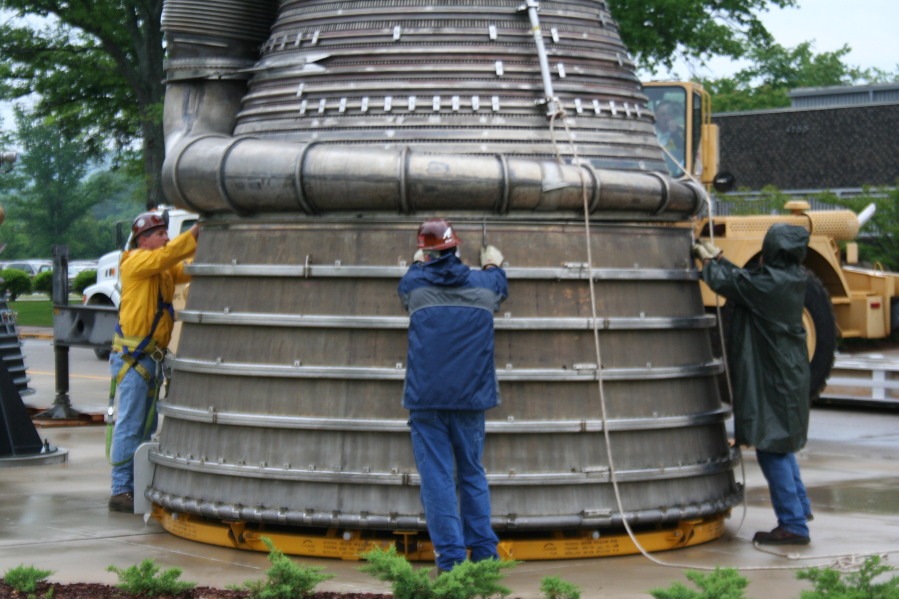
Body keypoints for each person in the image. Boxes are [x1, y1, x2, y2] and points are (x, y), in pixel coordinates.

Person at [397, 218, 508, 571]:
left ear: (427, 251)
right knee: (472, 473)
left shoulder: (413, 283)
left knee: (438, 480)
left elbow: (409, 282)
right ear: (456, 248)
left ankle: (451, 565)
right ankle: (486, 558)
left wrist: (417, 261)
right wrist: (492, 261)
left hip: (426, 400)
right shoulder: (486, 284)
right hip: (471, 399)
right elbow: (499, 284)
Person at [693, 223, 813, 545]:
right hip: (787, 375)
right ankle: (800, 512)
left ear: (773, 250)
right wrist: (717, 256)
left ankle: (794, 525)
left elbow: (731, 283)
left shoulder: (770, 284)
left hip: (776, 379)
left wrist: (707, 262)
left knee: (771, 449)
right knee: (781, 446)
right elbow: (745, 281)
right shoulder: (789, 278)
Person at [108, 211, 199, 513]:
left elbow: (185, 268)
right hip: (134, 358)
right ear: (143, 240)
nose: (166, 238)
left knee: (145, 427)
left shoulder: (161, 270)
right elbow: (169, 256)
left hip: (149, 358)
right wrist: (196, 233)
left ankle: (136, 483)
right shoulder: (134, 261)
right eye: (160, 234)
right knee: (131, 425)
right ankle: (121, 489)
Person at [653, 99, 686, 168]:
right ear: (656, 117)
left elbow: (684, 153)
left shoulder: (681, 132)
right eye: (663, 115)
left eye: (669, 114)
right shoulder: (649, 131)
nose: (666, 118)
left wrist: (674, 134)